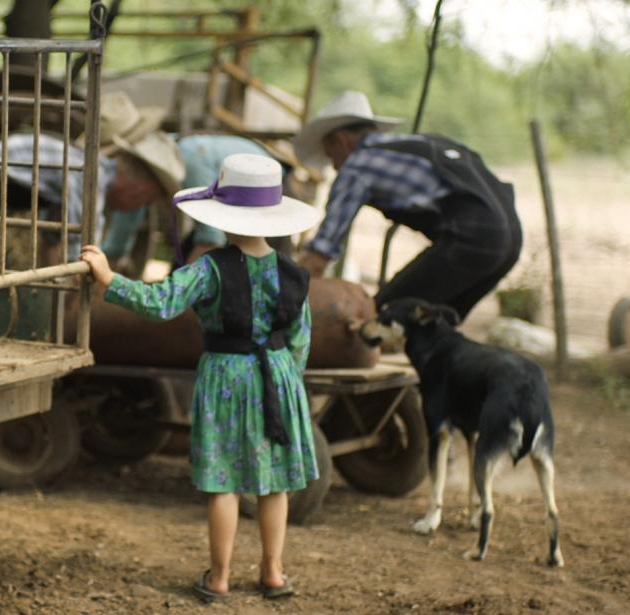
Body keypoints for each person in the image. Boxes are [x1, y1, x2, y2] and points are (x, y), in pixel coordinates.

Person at [79, 153, 321, 602]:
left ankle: (220, 578)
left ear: (223, 215)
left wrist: (110, 278)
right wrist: (286, 381)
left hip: (227, 376)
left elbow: (161, 303)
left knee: (224, 483)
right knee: (274, 483)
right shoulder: (295, 275)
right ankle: (272, 573)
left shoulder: (210, 269)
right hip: (278, 375)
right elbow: (300, 340)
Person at [293, 90, 522, 320]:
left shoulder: (357, 166)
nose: (334, 165)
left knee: (382, 317)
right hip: (511, 241)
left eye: (330, 155)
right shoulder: (423, 143)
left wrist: (289, 296)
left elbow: (320, 255)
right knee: (433, 325)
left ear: (341, 140)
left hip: (474, 238)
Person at [0, 91, 183, 264]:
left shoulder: (82, 170)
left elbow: (52, 238)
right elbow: (84, 249)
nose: (136, 209)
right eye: (144, 202)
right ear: (139, 191)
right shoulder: (90, 178)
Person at [100, 132, 282, 266]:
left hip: (264, 192)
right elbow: (122, 230)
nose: (113, 209)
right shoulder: (143, 175)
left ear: (139, 192)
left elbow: (210, 239)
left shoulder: (191, 164)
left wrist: (183, 292)